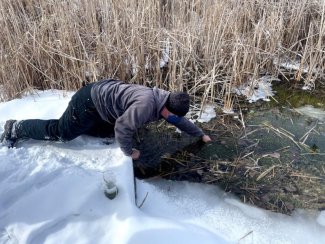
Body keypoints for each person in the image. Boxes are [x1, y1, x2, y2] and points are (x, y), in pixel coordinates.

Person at [0, 79, 211, 160]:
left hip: (104, 102)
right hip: (89, 102)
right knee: (62, 133)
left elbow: (179, 121)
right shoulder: (146, 105)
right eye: (171, 116)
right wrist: (130, 151)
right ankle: (16, 128)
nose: (172, 120)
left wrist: (200, 134)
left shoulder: (166, 101)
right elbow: (122, 126)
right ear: (167, 108)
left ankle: (80, 125)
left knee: (108, 133)